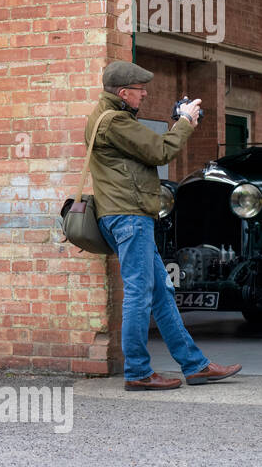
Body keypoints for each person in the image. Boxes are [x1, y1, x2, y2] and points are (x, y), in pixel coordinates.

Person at [88, 61, 242, 390]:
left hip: (126, 216)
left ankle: (195, 365)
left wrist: (178, 122)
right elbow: (161, 151)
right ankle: (138, 373)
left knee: (161, 293)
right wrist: (185, 122)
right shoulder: (115, 121)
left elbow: (143, 152)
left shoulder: (112, 119)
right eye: (139, 89)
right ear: (123, 92)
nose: (144, 94)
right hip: (129, 217)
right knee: (139, 294)